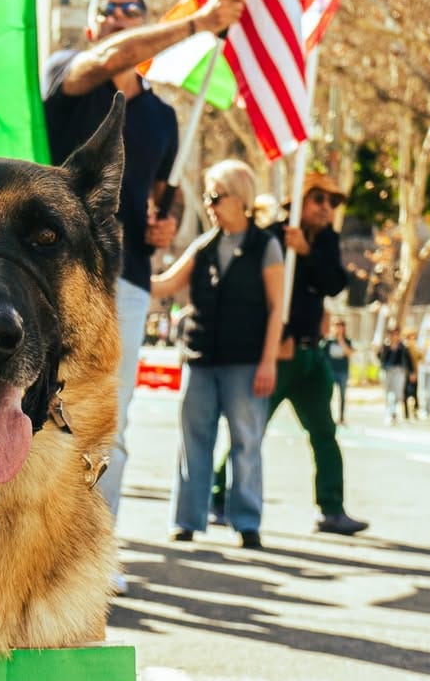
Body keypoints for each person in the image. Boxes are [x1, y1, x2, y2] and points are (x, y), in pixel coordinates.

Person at [42, 0, 245, 591]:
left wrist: (168, 220)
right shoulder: (69, 73)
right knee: (34, 411)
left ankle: (91, 556)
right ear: (92, 25)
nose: (121, 16)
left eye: (134, 9)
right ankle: (23, 552)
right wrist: (199, 24)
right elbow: (108, 59)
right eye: (110, 9)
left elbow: (162, 192)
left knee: (109, 421)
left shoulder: (160, 115)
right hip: (48, 276)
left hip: (123, 281)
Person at [211, 171, 368, 536]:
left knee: (324, 432)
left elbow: (334, 284)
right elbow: (255, 293)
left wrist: (308, 252)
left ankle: (332, 509)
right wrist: (272, 339)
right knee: (250, 430)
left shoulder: (326, 241)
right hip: (276, 356)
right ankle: (217, 497)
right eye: (319, 199)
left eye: (333, 202)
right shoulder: (270, 236)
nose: (327, 208)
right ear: (299, 201)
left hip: (312, 357)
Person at [151, 161, 282, 549]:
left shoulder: (266, 246)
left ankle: (247, 521)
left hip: (246, 362)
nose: (208, 205)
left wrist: (268, 361)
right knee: (193, 441)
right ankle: (186, 520)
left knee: (246, 442)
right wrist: (135, 262)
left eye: (214, 196)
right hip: (201, 358)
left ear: (240, 199)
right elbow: (164, 285)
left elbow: (277, 308)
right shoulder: (203, 246)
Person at [379, 324, 413, 425]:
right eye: (392, 334)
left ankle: (393, 410)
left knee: (398, 394)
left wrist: (411, 372)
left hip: (399, 371)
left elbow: (408, 360)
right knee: (388, 393)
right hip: (388, 371)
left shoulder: (403, 347)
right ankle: (390, 413)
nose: (394, 336)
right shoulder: (386, 346)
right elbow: (381, 358)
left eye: (396, 334)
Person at [323, 315, 352, 425]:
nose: (339, 328)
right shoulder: (329, 342)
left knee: (342, 396)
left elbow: (349, 354)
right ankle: (328, 418)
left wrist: (341, 340)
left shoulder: (347, 341)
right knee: (328, 395)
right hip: (331, 372)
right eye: (336, 325)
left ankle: (341, 418)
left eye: (341, 326)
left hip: (342, 372)